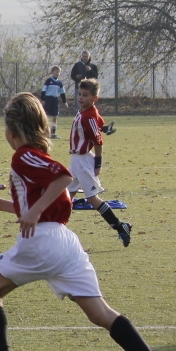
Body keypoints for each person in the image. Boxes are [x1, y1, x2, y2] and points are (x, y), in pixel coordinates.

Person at [0, 93, 175, 351]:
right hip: (65, 243)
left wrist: (33, 212)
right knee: (100, 314)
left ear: (13, 129)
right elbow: (49, 204)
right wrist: (1, 205)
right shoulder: (32, 157)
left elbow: (63, 177)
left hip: (42, 242)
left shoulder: (23, 156)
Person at [69, 78, 132, 246]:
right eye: (80, 94)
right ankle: (56, 234)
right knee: (66, 197)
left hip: (83, 161)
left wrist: (98, 164)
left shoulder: (88, 115)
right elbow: (98, 122)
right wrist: (104, 128)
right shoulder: (86, 111)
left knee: (91, 199)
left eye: (85, 95)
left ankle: (120, 226)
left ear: (94, 98)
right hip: (76, 161)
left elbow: (98, 142)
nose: (80, 98)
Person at [42, 65, 67, 138]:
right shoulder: (48, 81)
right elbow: (43, 90)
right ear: (52, 72)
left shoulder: (59, 82)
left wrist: (64, 101)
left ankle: (53, 133)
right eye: (56, 71)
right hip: (48, 99)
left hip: (55, 100)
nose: (58, 73)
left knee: (55, 117)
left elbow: (62, 93)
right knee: (47, 116)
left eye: (59, 72)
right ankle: (46, 132)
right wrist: (43, 99)